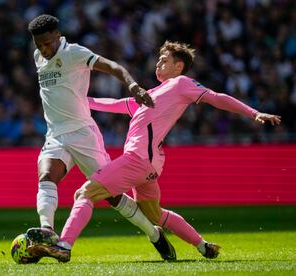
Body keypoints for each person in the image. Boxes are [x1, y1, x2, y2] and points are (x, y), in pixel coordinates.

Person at [26, 41, 282, 263]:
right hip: (148, 168)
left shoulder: (181, 84)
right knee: (156, 215)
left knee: (84, 193)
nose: (158, 62)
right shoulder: (149, 95)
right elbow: (113, 104)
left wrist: (253, 112)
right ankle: (202, 246)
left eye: (165, 59)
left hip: (136, 160)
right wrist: (74, 101)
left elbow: (216, 97)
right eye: (159, 58)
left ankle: (64, 246)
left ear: (179, 67)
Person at [25, 14, 176, 261]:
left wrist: (133, 86)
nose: (44, 48)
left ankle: (154, 233)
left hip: (83, 134)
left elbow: (113, 66)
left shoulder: (74, 53)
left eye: (48, 43)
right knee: (46, 175)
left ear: (57, 36)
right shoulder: (38, 57)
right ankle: (47, 231)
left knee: (113, 196)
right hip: (55, 134)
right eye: (39, 44)